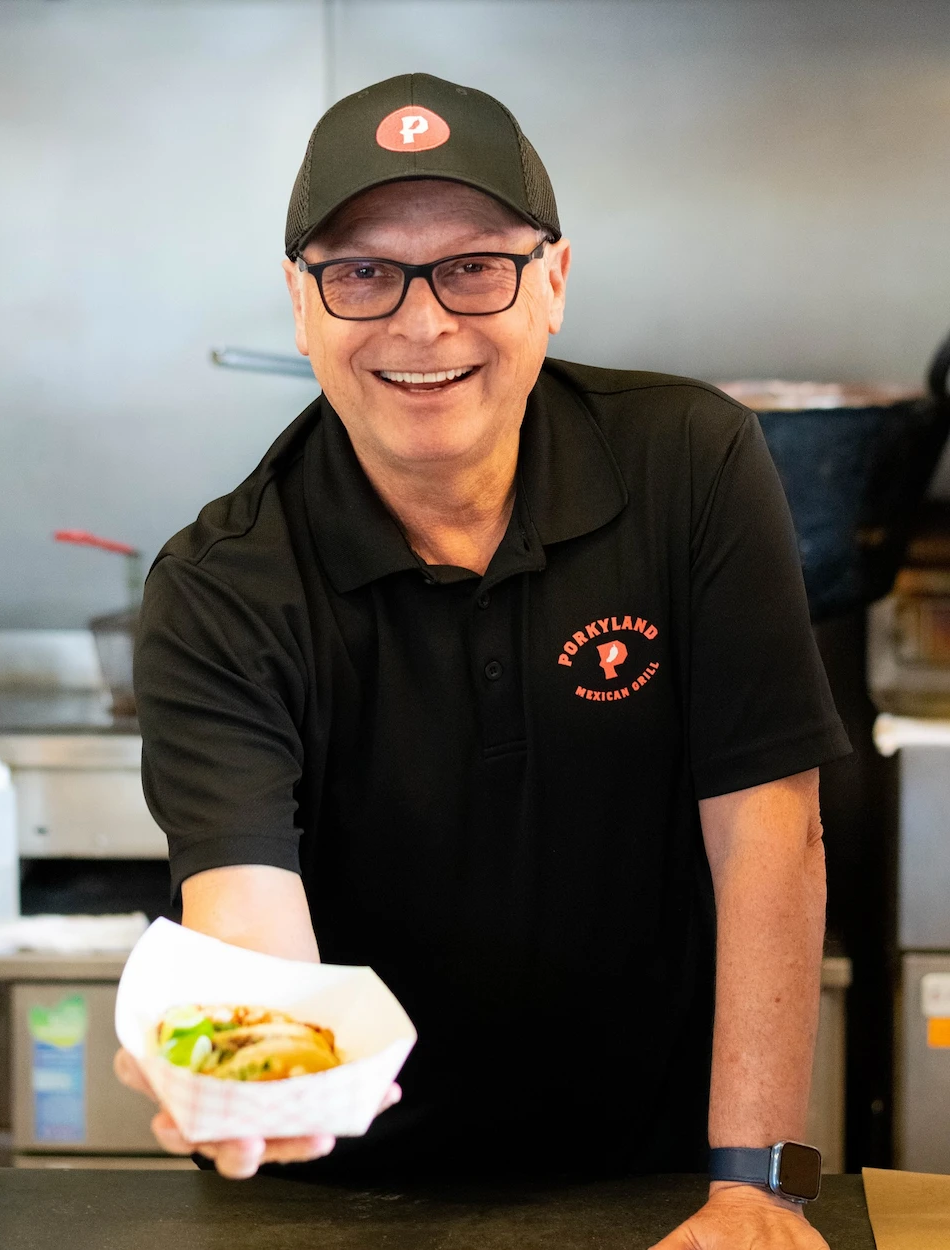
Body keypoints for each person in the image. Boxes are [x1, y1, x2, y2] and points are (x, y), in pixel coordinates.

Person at [116, 73, 852, 1249]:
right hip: (331, 1193)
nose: (421, 322)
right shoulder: (221, 584)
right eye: (361, 272)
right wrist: (244, 1060)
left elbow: (769, 830)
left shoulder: (690, 464)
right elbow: (248, 911)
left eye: (473, 266)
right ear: (301, 306)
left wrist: (757, 1177)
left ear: (553, 281)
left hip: (661, 1184)